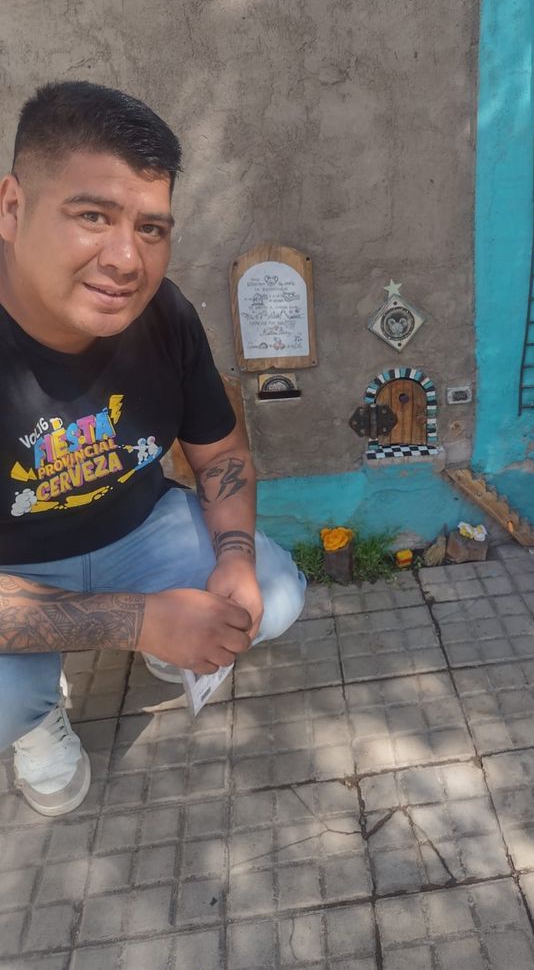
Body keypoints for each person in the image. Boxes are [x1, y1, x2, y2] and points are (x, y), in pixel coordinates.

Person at [0, 81, 306, 817]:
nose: (127, 259)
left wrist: (231, 558)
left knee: (276, 593)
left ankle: (176, 636)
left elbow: (220, 448)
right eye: (93, 216)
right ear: (12, 208)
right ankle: (35, 718)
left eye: (152, 228)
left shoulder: (164, 315)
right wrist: (139, 618)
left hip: (138, 527)